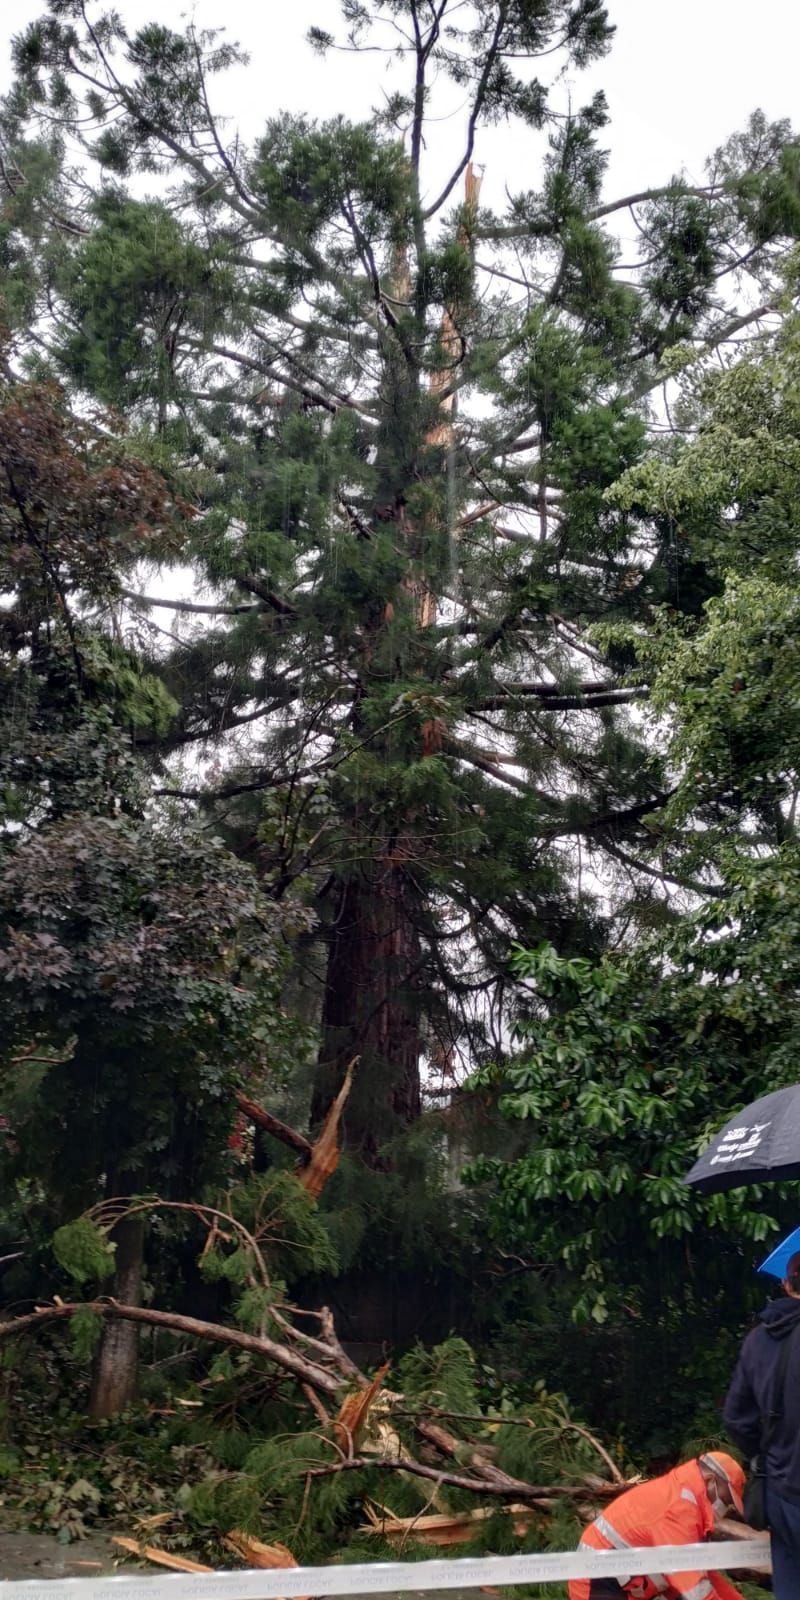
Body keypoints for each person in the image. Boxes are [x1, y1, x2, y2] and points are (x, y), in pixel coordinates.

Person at [723, 1248, 800, 1600]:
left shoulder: (758, 1339)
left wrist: (765, 1457)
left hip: (780, 1494)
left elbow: (736, 1418)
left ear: (786, 1285)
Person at [567, 1451, 747, 1600]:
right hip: (597, 1578)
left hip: (619, 1581)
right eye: (726, 1499)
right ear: (710, 1481)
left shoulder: (691, 1507)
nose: (727, 1507)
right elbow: (695, 1589)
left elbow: (705, 1576)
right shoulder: (679, 1509)